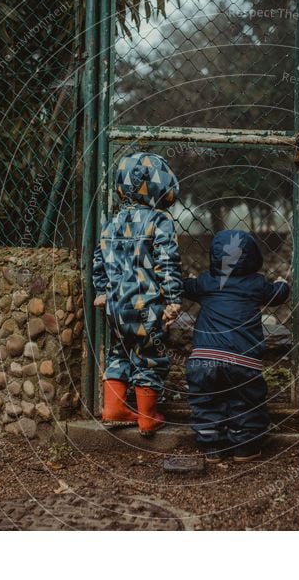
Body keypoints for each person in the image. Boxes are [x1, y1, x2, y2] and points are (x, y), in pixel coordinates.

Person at [92, 152, 183, 436]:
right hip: (147, 304)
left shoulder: (112, 222)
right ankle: (147, 417)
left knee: (121, 350)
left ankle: (114, 409)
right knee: (150, 354)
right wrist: (173, 298)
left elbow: (99, 258)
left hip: (115, 305)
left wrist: (100, 290)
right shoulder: (159, 221)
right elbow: (166, 261)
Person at [183, 229, 290, 462]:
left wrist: (190, 280)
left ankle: (212, 447)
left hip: (204, 358)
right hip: (242, 360)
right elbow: (278, 295)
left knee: (206, 400)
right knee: (247, 402)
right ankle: (245, 447)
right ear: (253, 258)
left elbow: (188, 288)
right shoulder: (256, 284)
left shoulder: (206, 282)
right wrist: (282, 284)